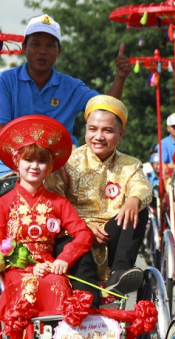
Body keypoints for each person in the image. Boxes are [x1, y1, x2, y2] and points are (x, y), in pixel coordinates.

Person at [0, 115, 93, 339]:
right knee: (30, 285)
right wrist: (28, 266)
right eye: (29, 161)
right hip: (17, 270)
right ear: (16, 162)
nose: (34, 167)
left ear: (49, 167)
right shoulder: (2, 204)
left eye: (41, 161)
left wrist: (64, 259)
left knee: (57, 283)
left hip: (51, 267)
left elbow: (82, 234)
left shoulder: (57, 202)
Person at [0, 14, 133, 181]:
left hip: (59, 171)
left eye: (50, 45)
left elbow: (105, 109)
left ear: (59, 51)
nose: (42, 50)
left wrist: (120, 77)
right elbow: (0, 130)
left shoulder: (72, 86)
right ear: (24, 47)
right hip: (11, 169)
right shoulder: (5, 80)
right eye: (36, 44)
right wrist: (25, 166)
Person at [46, 95, 152, 298]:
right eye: (93, 129)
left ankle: (119, 272)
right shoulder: (67, 161)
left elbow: (142, 186)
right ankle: (88, 297)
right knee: (69, 242)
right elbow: (54, 201)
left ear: (121, 135)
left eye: (108, 131)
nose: (98, 136)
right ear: (85, 130)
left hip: (112, 237)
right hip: (74, 233)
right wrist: (82, 228)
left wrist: (133, 199)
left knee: (139, 209)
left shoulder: (130, 164)